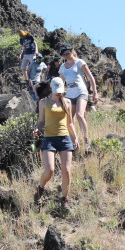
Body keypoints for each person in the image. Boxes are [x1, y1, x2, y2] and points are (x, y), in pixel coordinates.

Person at [32, 77, 78, 210]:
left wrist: (75, 138)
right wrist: (37, 129)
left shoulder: (67, 102)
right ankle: (40, 188)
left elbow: (70, 122)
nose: (58, 93)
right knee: (50, 169)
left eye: (60, 91)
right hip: (49, 139)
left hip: (64, 138)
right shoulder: (43, 102)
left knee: (66, 171)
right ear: (51, 88)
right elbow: (41, 121)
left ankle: (64, 199)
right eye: (56, 90)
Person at [58, 44, 98, 147]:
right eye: (64, 54)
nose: (66, 55)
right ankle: (74, 141)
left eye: (68, 53)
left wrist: (95, 93)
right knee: (69, 119)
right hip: (70, 95)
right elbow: (61, 83)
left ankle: (86, 140)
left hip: (81, 91)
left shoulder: (80, 62)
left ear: (72, 50)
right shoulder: (62, 67)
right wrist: (57, 96)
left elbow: (90, 77)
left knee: (80, 114)